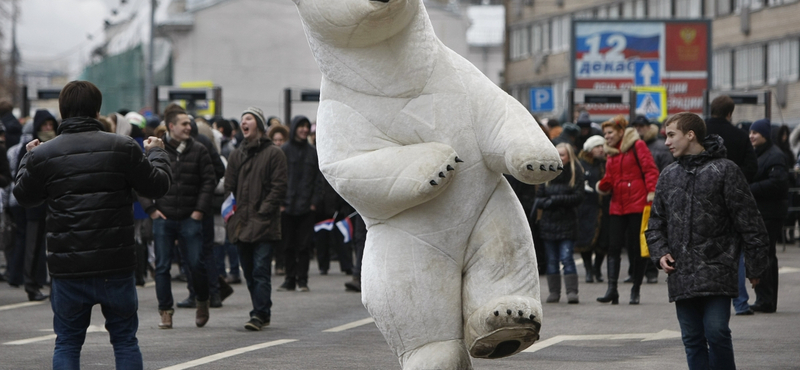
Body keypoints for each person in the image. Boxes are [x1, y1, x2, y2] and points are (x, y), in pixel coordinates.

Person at [13, 80, 171, 369]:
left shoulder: (44, 154)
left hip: (68, 265)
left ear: (62, 111)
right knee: (124, 339)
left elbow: (24, 197)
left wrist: (27, 158)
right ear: (97, 111)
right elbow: (157, 186)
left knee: (68, 342)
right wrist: (157, 152)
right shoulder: (123, 147)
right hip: (116, 263)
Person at [646, 112, 768, 370]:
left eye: (671, 135)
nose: (667, 142)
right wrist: (660, 253)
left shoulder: (725, 170)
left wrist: (756, 268)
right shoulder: (668, 175)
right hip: (681, 272)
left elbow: (750, 223)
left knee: (717, 332)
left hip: (717, 270)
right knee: (692, 339)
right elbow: (656, 223)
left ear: (690, 135)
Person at [139, 104, 216, 329]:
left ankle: (202, 301)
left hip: (190, 217)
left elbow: (209, 181)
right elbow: (140, 182)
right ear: (171, 126)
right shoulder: (155, 150)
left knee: (195, 263)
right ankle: (166, 310)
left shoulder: (199, 149)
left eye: (189, 123)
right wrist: (151, 210)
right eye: (184, 123)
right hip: (164, 217)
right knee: (162, 266)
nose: (189, 127)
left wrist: (199, 211)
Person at [224, 107, 287, 330]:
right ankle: (262, 308)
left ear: (258, 125)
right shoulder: (236, 154)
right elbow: (228, 187)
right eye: (242, 119)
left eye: (248, 118)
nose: (244, 122)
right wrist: (230, 214)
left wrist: (263, 210)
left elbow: (279, 187)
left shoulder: (274, 154)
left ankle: (258, 314)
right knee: (249, 272)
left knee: (261, 270)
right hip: (240, 223)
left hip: (264, 223)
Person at [596, 115, 659, 305]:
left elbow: (650, 169)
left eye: (610, 133)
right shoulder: (611, 152)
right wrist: (603, 185)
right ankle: (612, 289)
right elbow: (611, 177)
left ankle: (635, 289)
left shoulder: (637, 145)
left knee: (636, 248)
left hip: (638, 203)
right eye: (605, 133)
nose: (606, 137)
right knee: (613, 247)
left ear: (621, 132)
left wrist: (651, 193)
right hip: (617, 204)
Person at [17, 109, 61, 301]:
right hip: (35, 207)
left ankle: (52, 285)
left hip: (52, 206)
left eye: (51, 125)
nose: (48, 129)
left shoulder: (56, 146)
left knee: (54, 248)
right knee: (33, 248)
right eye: (45, 125)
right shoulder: (29, 148)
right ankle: (31, 285)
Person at [747, 119, 789, 314]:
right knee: (766, 254)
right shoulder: (760, 153)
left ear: (765, 135)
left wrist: (750, 188)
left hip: (770, 213)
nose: (751, 136)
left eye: (756, 133)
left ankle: (766, 300)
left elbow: (778, 183)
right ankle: (765, 299)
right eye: (750, 132)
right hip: (764, 211)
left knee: (765, 255)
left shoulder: (775, 156)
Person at [278, 115, 323, 292]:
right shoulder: (284, 150)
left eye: (306, 127)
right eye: (301, 126)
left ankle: (302, 280)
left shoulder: (313, 152)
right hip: (287, 206)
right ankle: (289, 279)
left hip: (306, 207)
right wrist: (281, 202)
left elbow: (319, 181)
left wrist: (314, 203)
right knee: (288, 245)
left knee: (304, 246)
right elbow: (278, 178)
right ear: (295, 128)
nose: (304, 130)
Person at [537, 143, 584, 304]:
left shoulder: (576, 172)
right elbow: (539, 197)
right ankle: (554, 292)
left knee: (566, 257)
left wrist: (555, 200)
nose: (559, 158)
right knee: (551, 260)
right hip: (548, 223)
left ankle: (572, 292)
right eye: (557, 154)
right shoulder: (547, 172)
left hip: (567, 223)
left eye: (562, 155)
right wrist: (547, 202)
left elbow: (578, 197)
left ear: (569, 156)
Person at [631, 115, 672, 284]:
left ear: (649, 127)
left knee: (652, 232)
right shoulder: (630, 146)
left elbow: (666, 169)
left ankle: (651, 270)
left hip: (655, 194)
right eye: (636, 126)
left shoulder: (659, 146)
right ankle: (636, 271)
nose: (639, 128)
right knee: (636, 236)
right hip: (636, 196)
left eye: (642, 125)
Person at [705, 96, 758, 183]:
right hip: (731, 189)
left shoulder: (700, 131)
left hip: (703, 187)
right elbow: (751, 167)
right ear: (729, 114)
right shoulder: (741, 135)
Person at [576, 135, 607, 283]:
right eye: (597, 147)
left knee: (602, 242)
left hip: (602, 208)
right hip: (586, 208)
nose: (600, 149)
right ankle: (589, 270)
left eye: (602, 146)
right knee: (585, 241)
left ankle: (597, 269)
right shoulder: (581, 164)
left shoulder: (605, 163)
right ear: (589, 149)